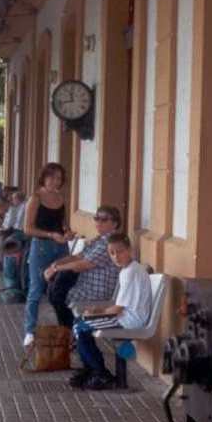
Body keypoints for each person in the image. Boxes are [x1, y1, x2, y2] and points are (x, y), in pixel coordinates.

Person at [69, 233, 152, 390]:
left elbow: (118, 309)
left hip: (130, 321)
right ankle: (92, 370)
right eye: (111, 253)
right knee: (80, 323)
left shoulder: (130, 272)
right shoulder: (129, 269)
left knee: (80, 327)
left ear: (130, 250)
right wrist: (98, 310)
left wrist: (95, 314)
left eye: (120, 251)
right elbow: (120, 305)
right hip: (126, 316)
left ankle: (100, 373)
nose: (116, 256)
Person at [43, 205, 121, 328]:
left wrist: (55, 269)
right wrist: (55, 264)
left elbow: (83, 264)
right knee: (55, 289)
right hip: (85, 286)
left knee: (57, 293)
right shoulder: (99, 240)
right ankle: (69, 333)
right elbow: (78, 256)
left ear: (115, 224)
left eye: (104, 219)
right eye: (97, 218)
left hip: (96, 293)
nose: (99, 222)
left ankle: (69, 333)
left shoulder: (109, 242)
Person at [22, 162, 73, 347]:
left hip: (61, 247)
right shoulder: (35, 198)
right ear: (43, 177)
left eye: (59, 178)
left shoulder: (61, 197)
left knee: (63, 288)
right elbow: (27, 229)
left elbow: (63, 223)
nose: (55, 181)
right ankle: (29, 331)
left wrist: (67, 232)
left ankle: (66, 331)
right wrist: (51, 234)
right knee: (35, 289)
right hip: (41, 247)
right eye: (51, 177)